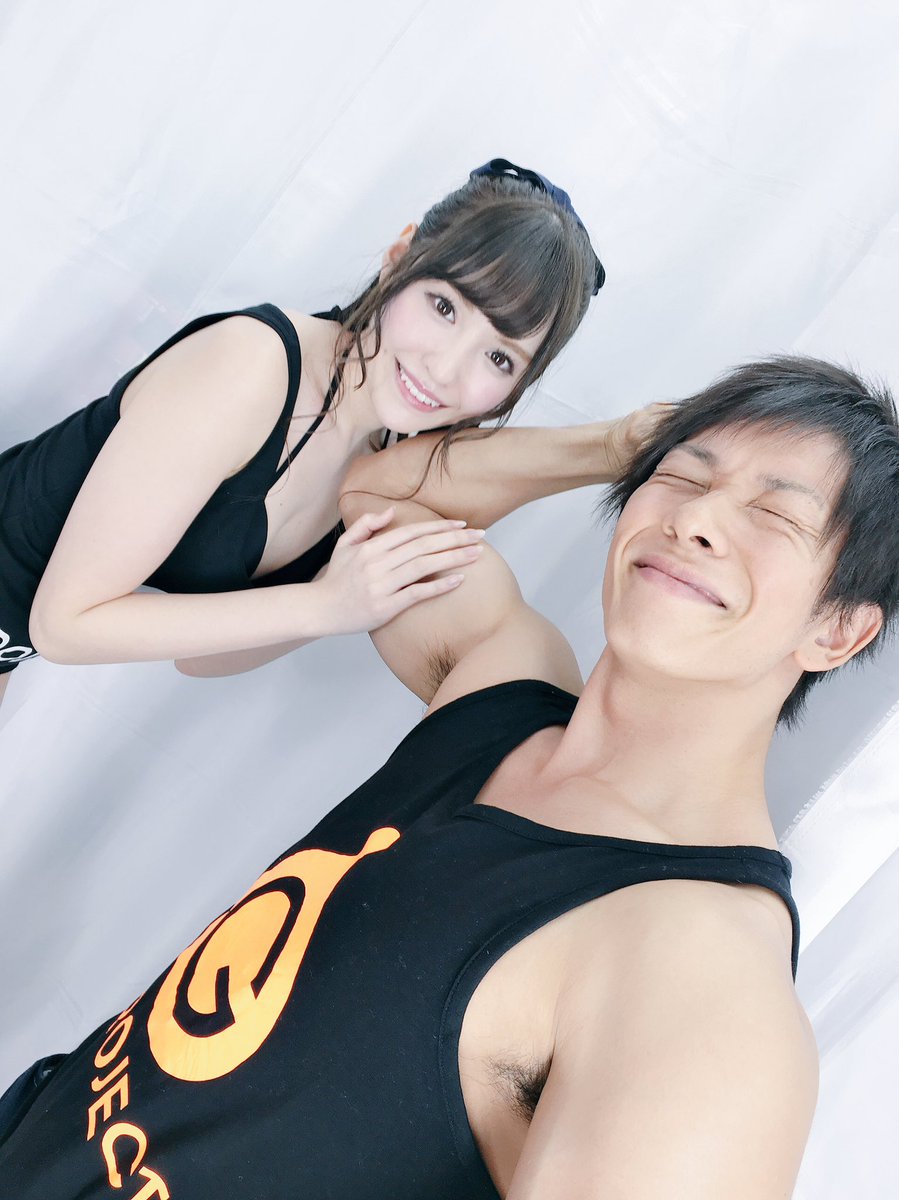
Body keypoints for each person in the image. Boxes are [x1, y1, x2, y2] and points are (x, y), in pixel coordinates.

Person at [7, 353, 893, 1198]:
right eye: (683, 477)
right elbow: (379, 494)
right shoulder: (499, 687)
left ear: (837, 631)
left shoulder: (709, 981)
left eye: (775, 517)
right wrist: (617, 446)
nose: (693, 520)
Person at [0, 157, 643, 708]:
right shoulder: (249, 370)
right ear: (399, 259)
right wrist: (326, 606)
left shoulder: (381, 467)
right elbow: (65, 625)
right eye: (445, 307)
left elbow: (203, 660)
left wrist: (343, 594)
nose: (446, 369)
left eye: (498, 357)